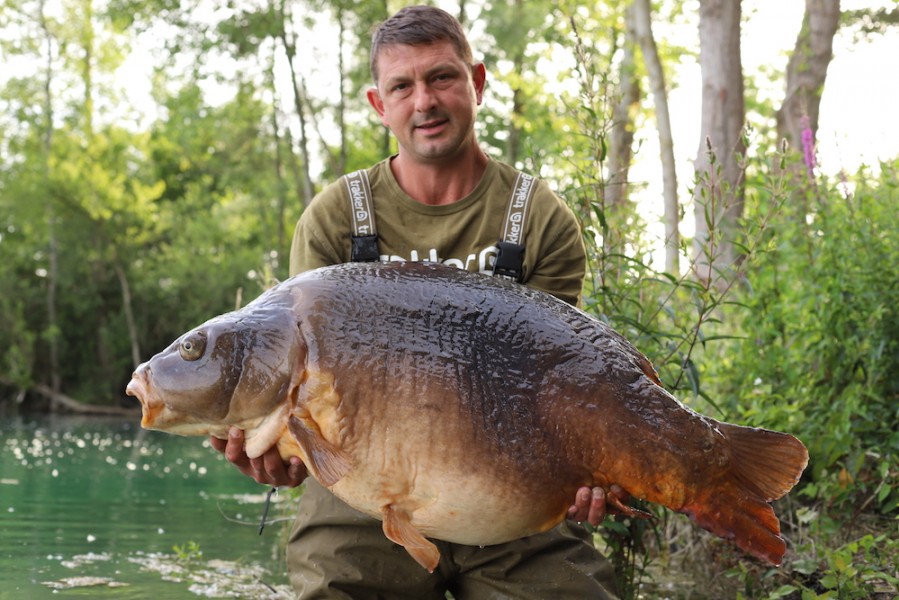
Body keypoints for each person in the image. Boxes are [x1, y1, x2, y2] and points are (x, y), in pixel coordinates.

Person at [211, 6, 624, 598]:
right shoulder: (334, 218)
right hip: (363, 493)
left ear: (476, 83)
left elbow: (557, 384)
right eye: (402, 86)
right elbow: (299, 386)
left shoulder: (537, 217)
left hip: (506, 491)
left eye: (441, 78)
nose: (423, 101)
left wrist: (590, 471)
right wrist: (281, 454)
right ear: (380, 105)